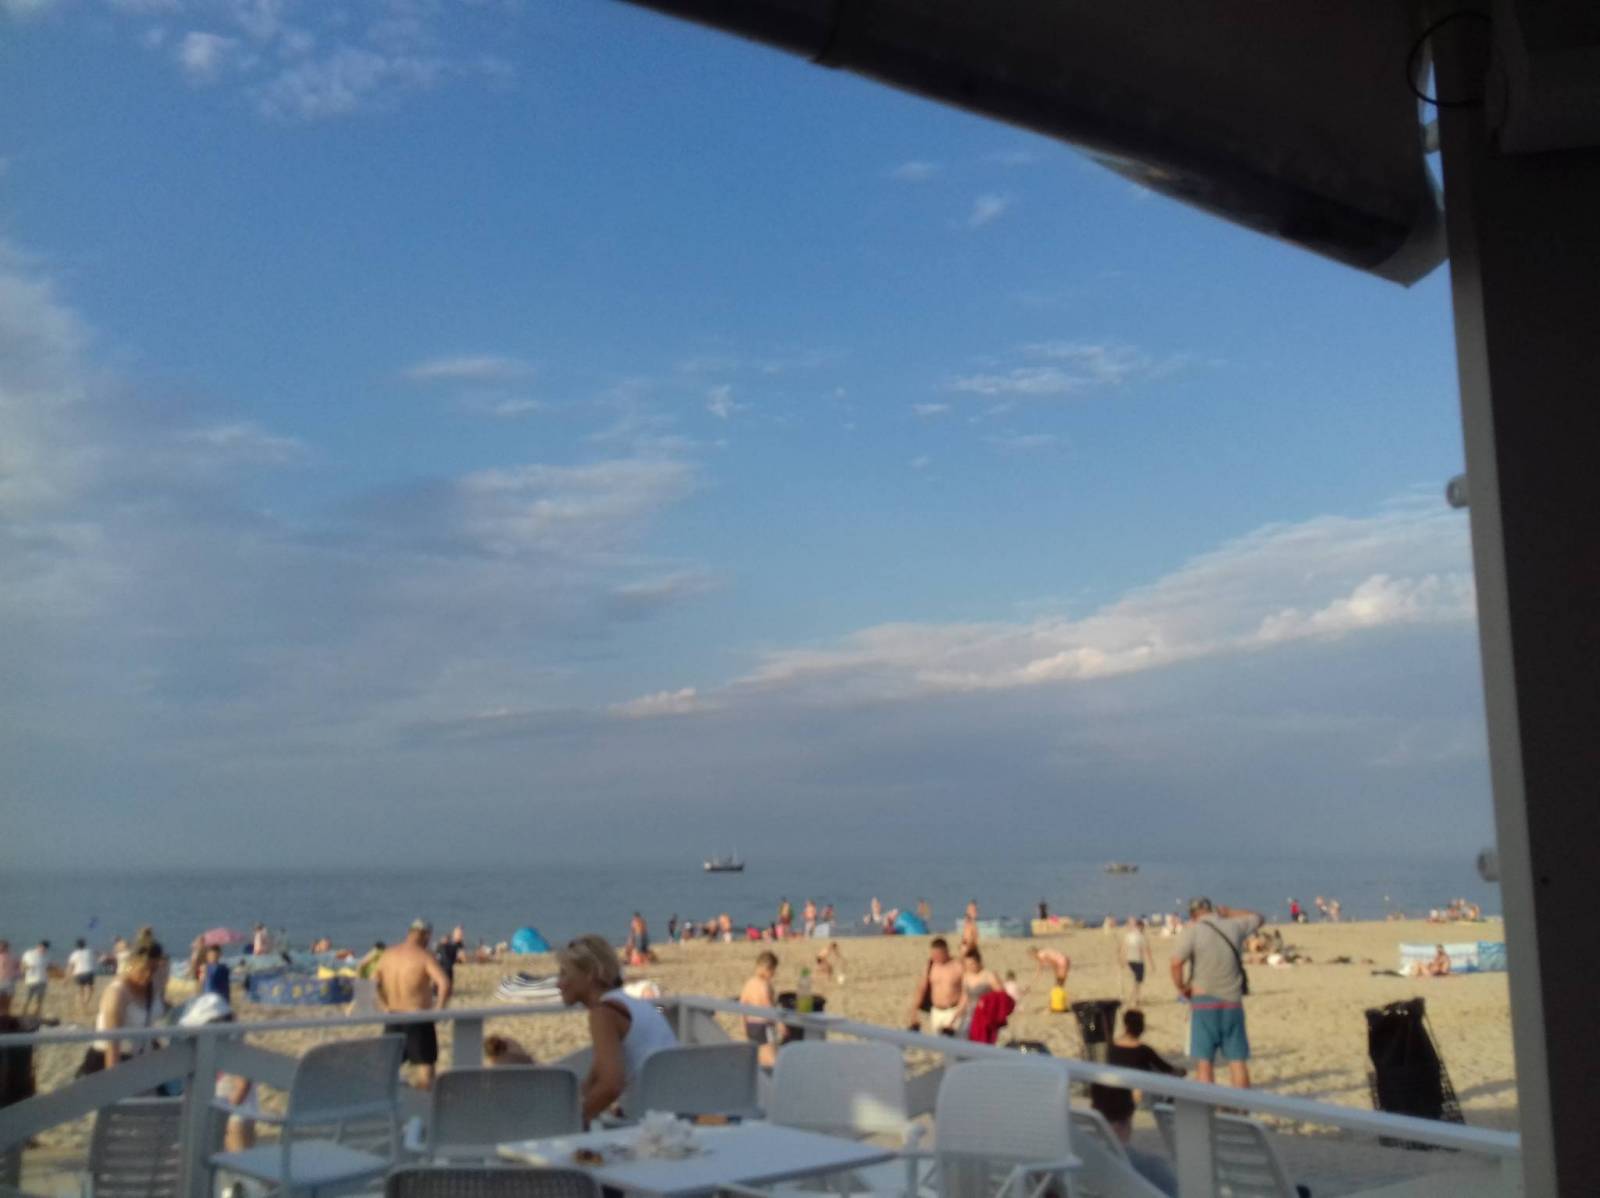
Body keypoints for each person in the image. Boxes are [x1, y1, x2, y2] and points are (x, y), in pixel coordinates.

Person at [556, 933, 677, 1123]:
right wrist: (578, 1101)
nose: (558, 983)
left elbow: (611, 1085)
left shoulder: (604, 1013)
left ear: (590, 974)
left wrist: (571, 1122)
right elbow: (599, 1072)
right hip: (673, 1110)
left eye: (564, 973)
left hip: (646, 1121)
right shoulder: (633, 1004)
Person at [1089, 1009, 1184, 1196]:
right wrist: (1181, 1072)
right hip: (1138, 1098)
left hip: (1115, 1094)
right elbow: (1167, 1069)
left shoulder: (1112, 1047)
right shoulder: (1143, 1051)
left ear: (1125, 1026)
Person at [1171, 897, 1263, 1089]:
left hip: (1204, 1000)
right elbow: (1258, 917)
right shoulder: (1234, 926)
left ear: (1193, 915)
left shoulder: (1192, 931)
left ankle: (1208, 1104)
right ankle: (1241, 1105)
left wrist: (1182, 988)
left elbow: (1176, 963)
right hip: (1232, 1000)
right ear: (1212, 909)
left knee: (1204, 1062)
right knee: (1237, 1061)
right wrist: (1229, 912)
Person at [374, 919, 452, 1090]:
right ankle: (424, 1102)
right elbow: (444, 983)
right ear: (426, 935)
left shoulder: (388, 955)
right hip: (418, 1017)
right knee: (425, 1071)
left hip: (393, 1016)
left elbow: (372, 984)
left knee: (388, 1066)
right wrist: (439, 1009)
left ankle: (387, 1100)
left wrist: (383, 1005)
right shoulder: (423, 956)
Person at [84, 943, 166, 1073]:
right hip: (110, 1059)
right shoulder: (118, 993)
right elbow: (112, 1045)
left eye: (153, 970)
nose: (148, 975)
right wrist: (115, 1079)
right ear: (130, 964)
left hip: (142, 1058)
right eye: (143, 970)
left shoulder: (154, 984)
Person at [906, 938, 964, 1035]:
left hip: (953, 1010)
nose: (935, 957)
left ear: (946, 952)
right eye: (933, 954)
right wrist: (914, 1011)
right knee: (937, 1041)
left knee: (955, 1041)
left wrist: (958, 1013)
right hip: (936, 1011)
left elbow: (966, 991)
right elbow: (921, 988)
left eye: (938, 955)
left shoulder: (958, 966)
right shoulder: (931, 965)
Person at [739, 951, 781, 1067]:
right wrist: (780, 1023)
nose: (774, 974)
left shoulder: (749, 984)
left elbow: (742, 1006)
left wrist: (744, 1027)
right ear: (769, 969)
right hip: (765, 1026)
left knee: (757, 1059)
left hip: (751, 1025)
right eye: (773, 971)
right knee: (772, 1059)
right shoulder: (764, 985)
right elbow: (769, 1007)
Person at [957, 947, 1003, 1031]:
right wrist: (954, 1018)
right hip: (969, 1015)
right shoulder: (966, 977)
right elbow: (964, 999)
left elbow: (1001, 995)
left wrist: (988, 1004)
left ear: (978, 962)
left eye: (972, 964)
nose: (969, 967)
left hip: (985, 1014)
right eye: (967, 965)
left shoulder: (989, 976)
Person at [1119, 918, 1155, 1007]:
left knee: (1136, 981)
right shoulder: (1141, 936)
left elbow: (1123, 948)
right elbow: (1147, 951)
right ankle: (1134, 999)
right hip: (1138, 961)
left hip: (1129, 960)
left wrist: (1122, 960)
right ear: (1141, 927)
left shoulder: (1129, 935)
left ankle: (1136, 999)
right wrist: (1152, 964)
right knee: (1137, 981)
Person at [19, 941, 49, 1019]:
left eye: (45, 948)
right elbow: (22, 964)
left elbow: (48, 967)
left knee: (39, 1000)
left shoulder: (47, 956)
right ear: (38, 946)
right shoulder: (29, 953)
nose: (43, 949)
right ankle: (22, 1015)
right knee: (26, 999)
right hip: (30, 981)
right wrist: (23, 971)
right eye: (42, 947)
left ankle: (35, 1016)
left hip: (42, 981)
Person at [68, 938, 97, 1013]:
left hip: (78, 973)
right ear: (85, 944)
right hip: (88, 972)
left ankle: (80, 1006)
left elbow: (71, 966)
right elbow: (96, 956)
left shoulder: (74, 954)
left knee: (80, 991)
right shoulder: (89, 951)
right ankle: (85, 1003)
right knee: (90, 990)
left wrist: (67, 977)